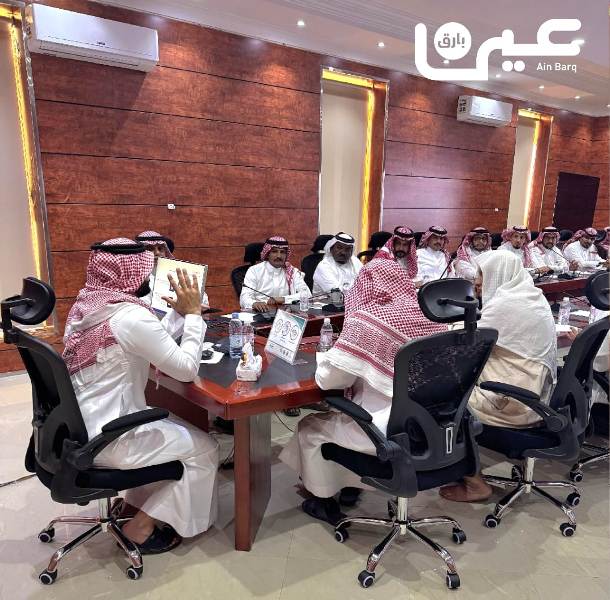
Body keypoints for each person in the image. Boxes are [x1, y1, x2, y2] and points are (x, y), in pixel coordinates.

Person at [62, 238, 219, 553]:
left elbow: (148, 337)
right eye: (145, 269)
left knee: (175, 427)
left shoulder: (88, 305)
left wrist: (179, 313)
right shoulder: (129, 316)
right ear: (128, 273)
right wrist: (194, 316)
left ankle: (134, 504)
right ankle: (141, 527)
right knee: (206, 449)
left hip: (78, 427)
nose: (148, 276)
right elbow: (186, 369)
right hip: (110, 436)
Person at [279, 254, 446, 524]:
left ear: (366, 284)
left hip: (386, 428)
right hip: (431, 423)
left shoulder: (367, 321)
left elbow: (331, 381)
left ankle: (323, 500)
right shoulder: (429, 317)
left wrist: (325, 359)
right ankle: (350, 488)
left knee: (310, 428)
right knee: (338, 424)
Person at [440, 251, 557, 502]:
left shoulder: (507, 304)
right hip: (534, 398)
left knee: (442, 403)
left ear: (499, 273)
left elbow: (467, 338)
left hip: (514, 403)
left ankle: (474, 483)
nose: (476, 281)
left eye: (482, 274)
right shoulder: (530, 295)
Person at [136, 230, 209, 307]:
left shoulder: (177, 274)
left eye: (160, 249)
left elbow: (203, 299)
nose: (157, 253)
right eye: (150, 249)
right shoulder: (135, 279)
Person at [240, 236, 311, 312]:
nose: (279, 256)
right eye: (274, 252)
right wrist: (254, 303)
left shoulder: (292, 271)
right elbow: (244, 298)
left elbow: (307, 294)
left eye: (282, 252)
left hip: (286, 313)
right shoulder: (254, 271)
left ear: (286, 255)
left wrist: (283, 299)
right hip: (260, 313)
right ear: (268, 254)